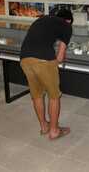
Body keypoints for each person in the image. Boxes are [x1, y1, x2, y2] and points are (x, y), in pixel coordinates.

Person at [20, 9, 73, 140]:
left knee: (37, 95)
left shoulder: (41, 20)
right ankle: (54, 131)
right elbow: (60, 57)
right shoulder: (67, 26)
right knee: (54, 96)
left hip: (25, 59)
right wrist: (53, 62)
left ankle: (44, 126)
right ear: (69, 20)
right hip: (43, 61)